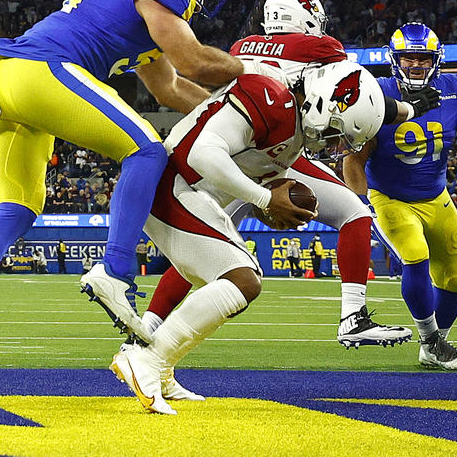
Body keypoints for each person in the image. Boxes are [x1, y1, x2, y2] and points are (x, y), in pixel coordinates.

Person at [0, 0, 249, 385]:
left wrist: (230, 114)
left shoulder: (145, 1)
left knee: (16, 210)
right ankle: (115, 270)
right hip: (40, 70)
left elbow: (174, 86)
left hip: (6, 80)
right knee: (147, 152)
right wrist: (250, 74)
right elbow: (195, 60)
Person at [143, 0, 435, 349]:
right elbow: (353, 99)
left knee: (203, 244)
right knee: (354, 214)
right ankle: (353, 316)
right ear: (308, 17)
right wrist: (409, 108)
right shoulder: (322, 49)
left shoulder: (241, 47)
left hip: (239, 148)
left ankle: (147, 326)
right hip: (276, 145)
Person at [110, 61, 386, 414]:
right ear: (323, 103)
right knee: (243, 280)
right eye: (337, 132)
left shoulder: (295, 127)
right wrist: (266, 199)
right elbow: (203, 154)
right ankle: (147, 359)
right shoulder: (270, 96)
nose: (334, 144)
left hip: (188, 193)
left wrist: (268, 205)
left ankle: (160, 366)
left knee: (217, 279)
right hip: (171, 185)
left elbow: (249, 173)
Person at [344, 23, 457, 370]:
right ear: (394, 60)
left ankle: (434, 344)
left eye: (422, 58)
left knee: (455, 279)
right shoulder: (376, 93)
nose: (415, 64)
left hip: (436, 195)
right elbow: (353, 159)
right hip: (390, 197)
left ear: (436, 60)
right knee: (414, 255)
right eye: (408, 58)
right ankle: (431, 340)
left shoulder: (453, 88)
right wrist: (360, 202)